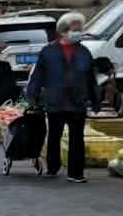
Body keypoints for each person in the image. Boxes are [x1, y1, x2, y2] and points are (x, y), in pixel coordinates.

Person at [24, 11, 99, 183]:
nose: (79, 32)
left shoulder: (84, 52)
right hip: (55, 101)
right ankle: (53, 166)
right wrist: (32, 96)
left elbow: (90, 78)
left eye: (80, 29)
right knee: (54, 136)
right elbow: (37, 76)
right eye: (75, 29)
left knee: (77, 138)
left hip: (77, 101)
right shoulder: (48, 51)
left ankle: (76, 173)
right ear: (64, 31)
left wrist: (95, 100)